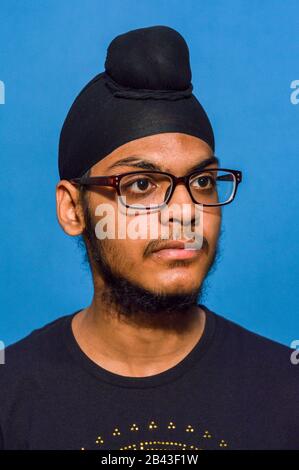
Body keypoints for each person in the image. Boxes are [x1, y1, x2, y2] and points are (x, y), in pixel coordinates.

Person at [0, 25, 298, 450]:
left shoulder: (287, 389)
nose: (185, 211)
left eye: (202, 181)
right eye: (141, 185)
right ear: (72, 209)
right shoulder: (11, 395)